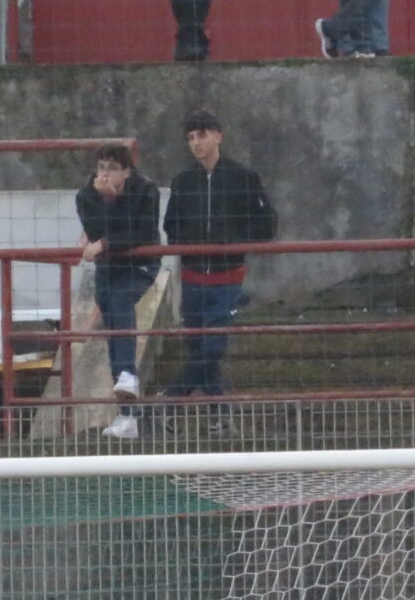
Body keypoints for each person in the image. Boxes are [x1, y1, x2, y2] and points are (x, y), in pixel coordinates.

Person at [159, 110, 277, 405]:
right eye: (191, 138)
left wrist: (235, 243)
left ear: (217, 136)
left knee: (212, 347)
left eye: (202, 135)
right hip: (193, 277)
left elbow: (266, 223)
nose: (196, 143)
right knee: (199, 347)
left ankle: (171, 398)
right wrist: (189, 247)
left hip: (227, 276)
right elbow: (172, 224)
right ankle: (219, 415)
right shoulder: (183, 181)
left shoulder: (243, 177)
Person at [74, 142, 162, 441]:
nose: (105, 173)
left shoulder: (147, 190)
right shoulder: (87, 194)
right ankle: (127, 415)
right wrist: (106, 201)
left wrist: (106, 243)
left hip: (140, 264)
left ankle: (126, 379)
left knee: (122, 299)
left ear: (126, 170)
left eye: (112, 167)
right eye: (101, 167)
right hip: (109, 266)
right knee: (111, 316)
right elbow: (95, 229)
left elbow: (143, 233)